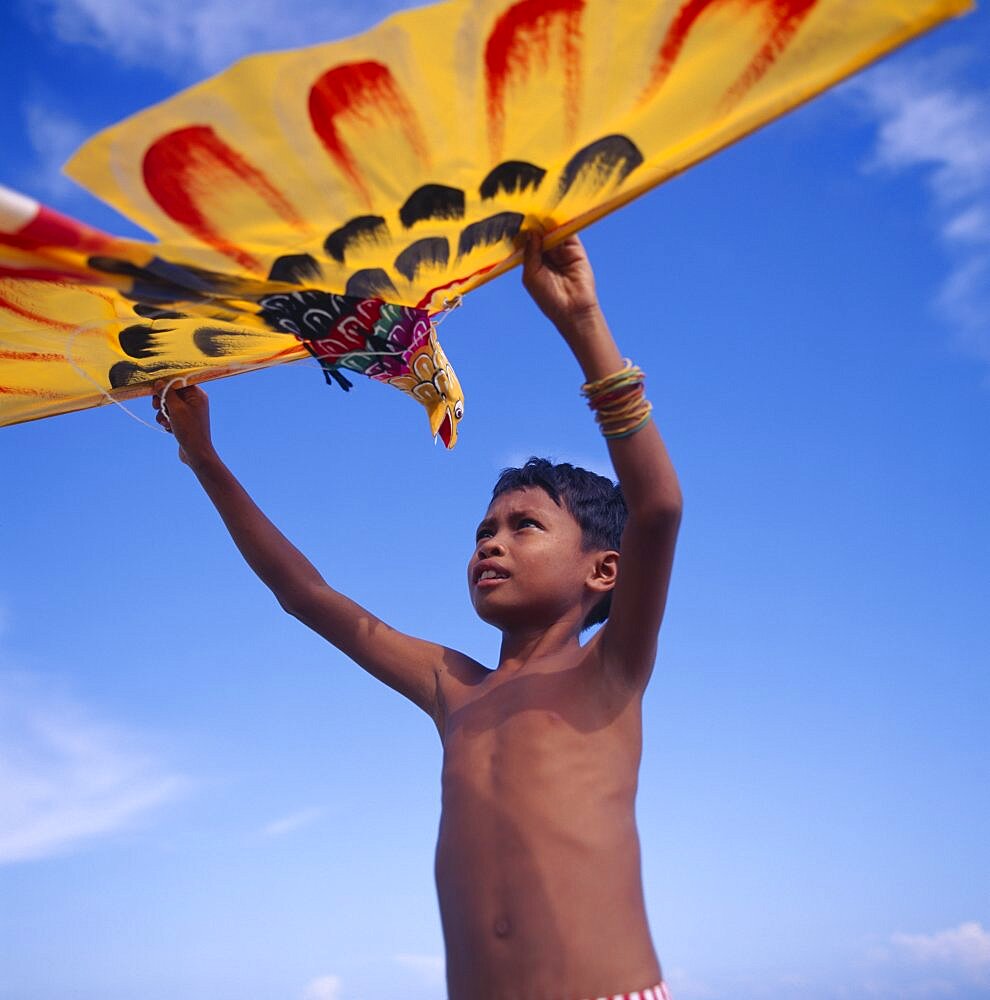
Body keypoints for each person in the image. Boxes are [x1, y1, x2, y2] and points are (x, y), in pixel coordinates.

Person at [153, 229, 682, 1000]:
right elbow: (309, 596)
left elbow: (658, 508)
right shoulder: (452, 687)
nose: (490, 545)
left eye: (523, 527)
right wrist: (205, 457)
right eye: (482, 532)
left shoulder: (612, 670)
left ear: (605, 570)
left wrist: (583, 325)